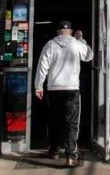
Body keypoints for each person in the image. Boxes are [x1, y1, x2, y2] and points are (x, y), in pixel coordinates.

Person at [35, 20, 93, 166]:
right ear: (71, 32)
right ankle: (71, 156)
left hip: (54, 88)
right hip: (71, 88)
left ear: (57, 32)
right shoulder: (76, 43)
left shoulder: (50, 44)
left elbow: (42, 66)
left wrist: (39, 86)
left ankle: (54, 150)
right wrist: (82, 40)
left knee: (54, 120)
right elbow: (89, 56)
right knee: (71, 122)